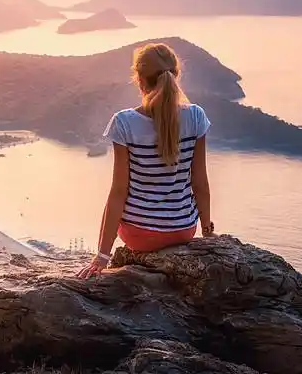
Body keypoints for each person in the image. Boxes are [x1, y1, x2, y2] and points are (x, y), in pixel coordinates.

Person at [77, 42, 216, 279]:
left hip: (139, 234)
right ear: (176, 76)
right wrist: (207, 231)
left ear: (139, 80)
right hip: (183, 230)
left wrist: (102, 256)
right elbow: (200, 182)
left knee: (119, 199)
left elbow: (119, 192)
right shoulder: (196, 116)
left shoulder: (124, 122)